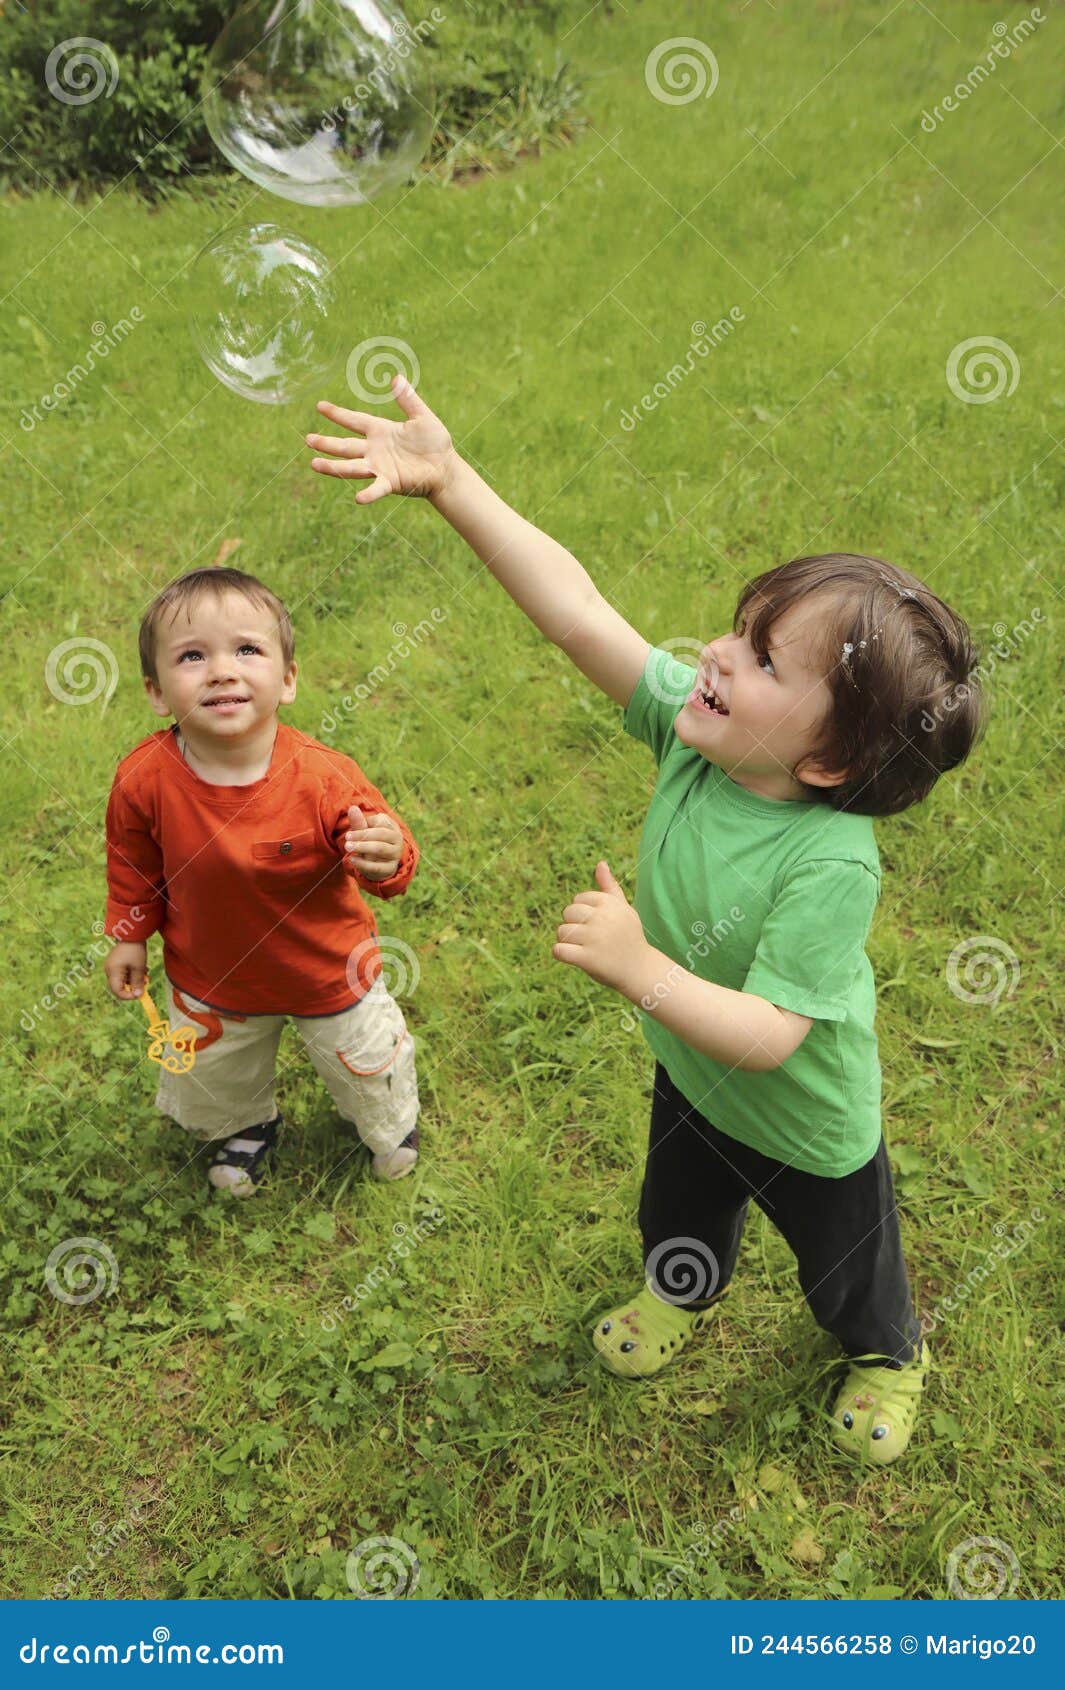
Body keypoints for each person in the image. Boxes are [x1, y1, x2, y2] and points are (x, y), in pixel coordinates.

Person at [304, 376, 985, 1463]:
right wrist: (453, 479)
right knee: (678, 1207)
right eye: (739, 630)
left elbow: (771, 1035)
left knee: (847, 1265)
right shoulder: (697, 731)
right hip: (693, 1074)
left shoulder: (829, 860)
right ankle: (681, 1291)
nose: (714, 653)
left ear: (821, 761)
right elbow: (575, 613)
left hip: (808, 1124)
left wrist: (636, 969)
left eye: (761, 660)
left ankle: (887, 1351)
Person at [103, 566, 421, 1195]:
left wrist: (388, 855)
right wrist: (129, 936)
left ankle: (388, 1125)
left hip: (330, 969)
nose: (223, 670)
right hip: (211, 975)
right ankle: (244, 1126)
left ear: (289, 678)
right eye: (192, 656)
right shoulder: (144, 780)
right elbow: (135, 867)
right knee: (217, 1073)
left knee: (364, 1063)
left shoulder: (324, 778)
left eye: (248, 649)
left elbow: (385, 855)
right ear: (157, 691)